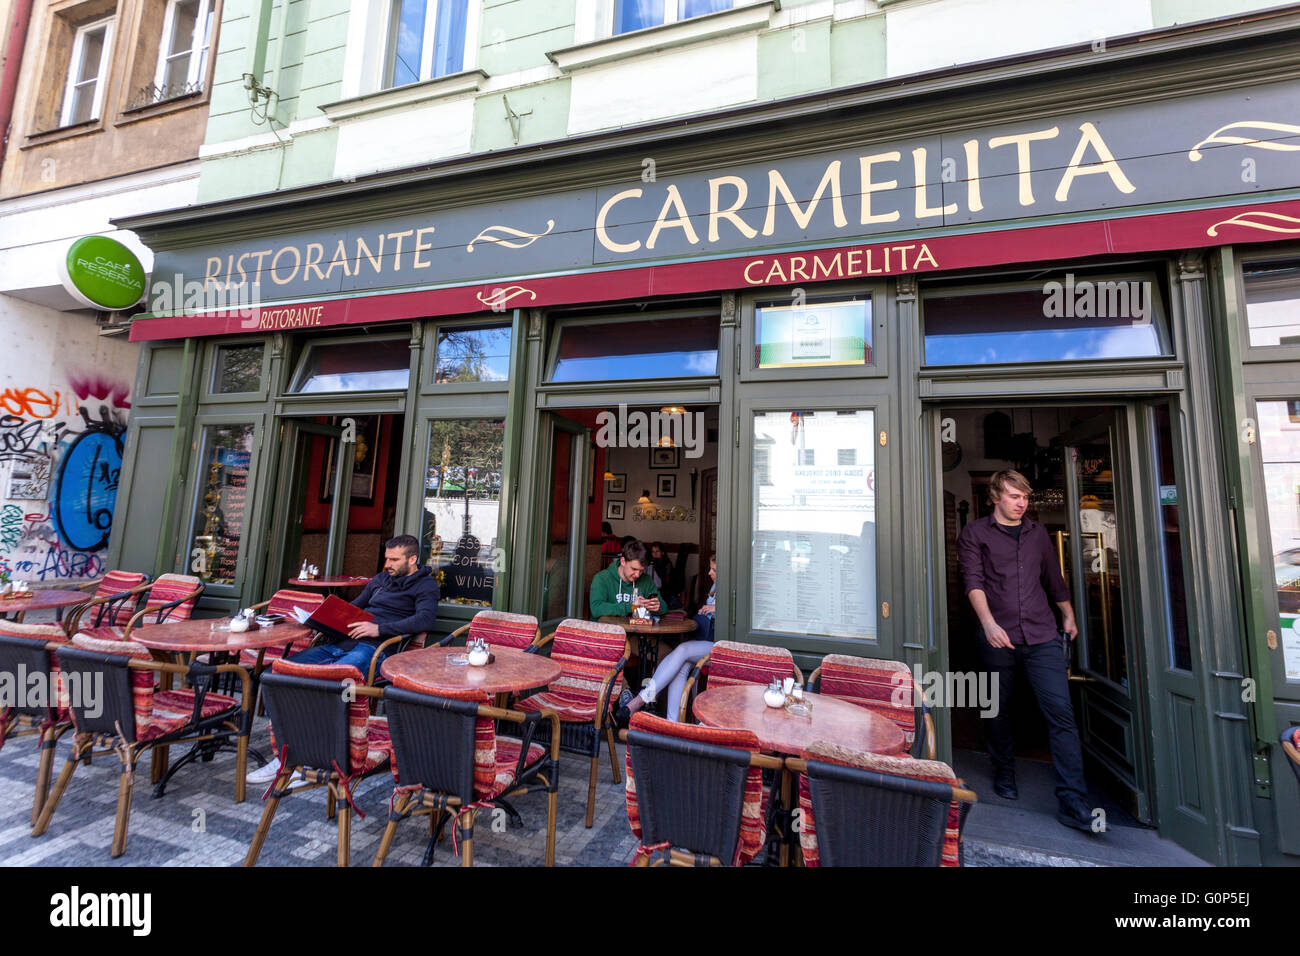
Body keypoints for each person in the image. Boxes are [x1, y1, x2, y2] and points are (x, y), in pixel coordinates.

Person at [956, 469, 1093, 833]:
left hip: (1041, 633)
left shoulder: (1036, 535)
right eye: (1015, 497)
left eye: (1025, 498)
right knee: (998, 710)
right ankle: (1004, 770)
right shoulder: (975, 534)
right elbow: (973, 581)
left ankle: (1073, 799)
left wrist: (1068, 616)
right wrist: (987, 624)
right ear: (996, 497)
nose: (1022, 504)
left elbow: (1053, 578)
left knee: (1061, 712)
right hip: (997, 634)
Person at [248, 534, 439, 783]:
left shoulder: (425, 585)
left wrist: (379, 629)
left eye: (394, 559)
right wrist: (323, 620)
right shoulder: (380, 580)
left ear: (412, 559)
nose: (388, 564)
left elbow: (424, 620)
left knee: (328, 685)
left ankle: (302, 759)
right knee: (277, 674)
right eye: (386, 558)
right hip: (343, 644)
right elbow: (353, 609)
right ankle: (290, 751)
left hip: (375, 651)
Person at [617, 554, 716, 724]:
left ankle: (640, 700)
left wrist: (716, 608)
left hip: (722, 645)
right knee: (681, 665)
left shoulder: (731, 588)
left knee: (682, 650)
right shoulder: (716, 587)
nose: (708, 573)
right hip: (706, 642)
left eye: (713, 569)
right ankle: (673, 724)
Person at [589, 538, 661, 618]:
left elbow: (664, 607)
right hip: (606, 629)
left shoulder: (646, 580)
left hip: (634, 629)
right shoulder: (602, 578)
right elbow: (596, 609)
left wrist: (655, 606)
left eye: (641, 571)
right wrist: (631, 607)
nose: (637, 575)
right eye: (634, 569)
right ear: (623, 561)